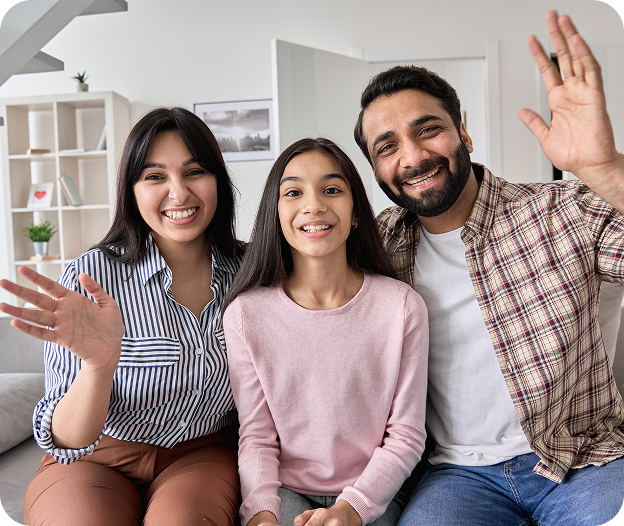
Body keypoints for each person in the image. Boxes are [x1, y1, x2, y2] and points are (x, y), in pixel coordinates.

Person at [352, 9, 624, 526]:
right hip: (458, 477)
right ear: (375, 170)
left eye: (427, 130)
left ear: (464, 135)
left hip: (582, 460)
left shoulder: (561, 210)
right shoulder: (376, 243)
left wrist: (608, 170)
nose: (411, 157)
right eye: (387, 147)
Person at [0, 107, 244, 526]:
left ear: (218, 180)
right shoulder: (90, 276)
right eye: (154, 177)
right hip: (93, 457)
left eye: (194, 172)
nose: (179, 193)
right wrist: (98, 365)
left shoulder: (253, 270)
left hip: (201, 454)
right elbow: (66, 440)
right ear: (131, 190)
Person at [221, 138, 428, 526]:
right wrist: (261, 513)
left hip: (373, 492)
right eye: (294, 192)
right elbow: (257, 438)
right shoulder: (245, 315)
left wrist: (350, 511)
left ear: (355, 213)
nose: (314, 205)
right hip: (284, 492)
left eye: (332, 189)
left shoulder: (401, 307)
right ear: (276, 214)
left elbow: (406, 435)